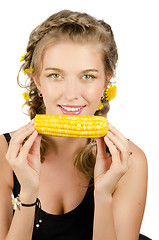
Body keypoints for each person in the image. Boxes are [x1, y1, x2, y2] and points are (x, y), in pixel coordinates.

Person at [0, 9, 150, 240]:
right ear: (38, 81)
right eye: (55, 75)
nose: (71, 95)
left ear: (106, 81)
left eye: (88, 76)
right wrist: (28, 194)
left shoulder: (129, 161)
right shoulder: (3, 154)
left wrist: (103, 195)